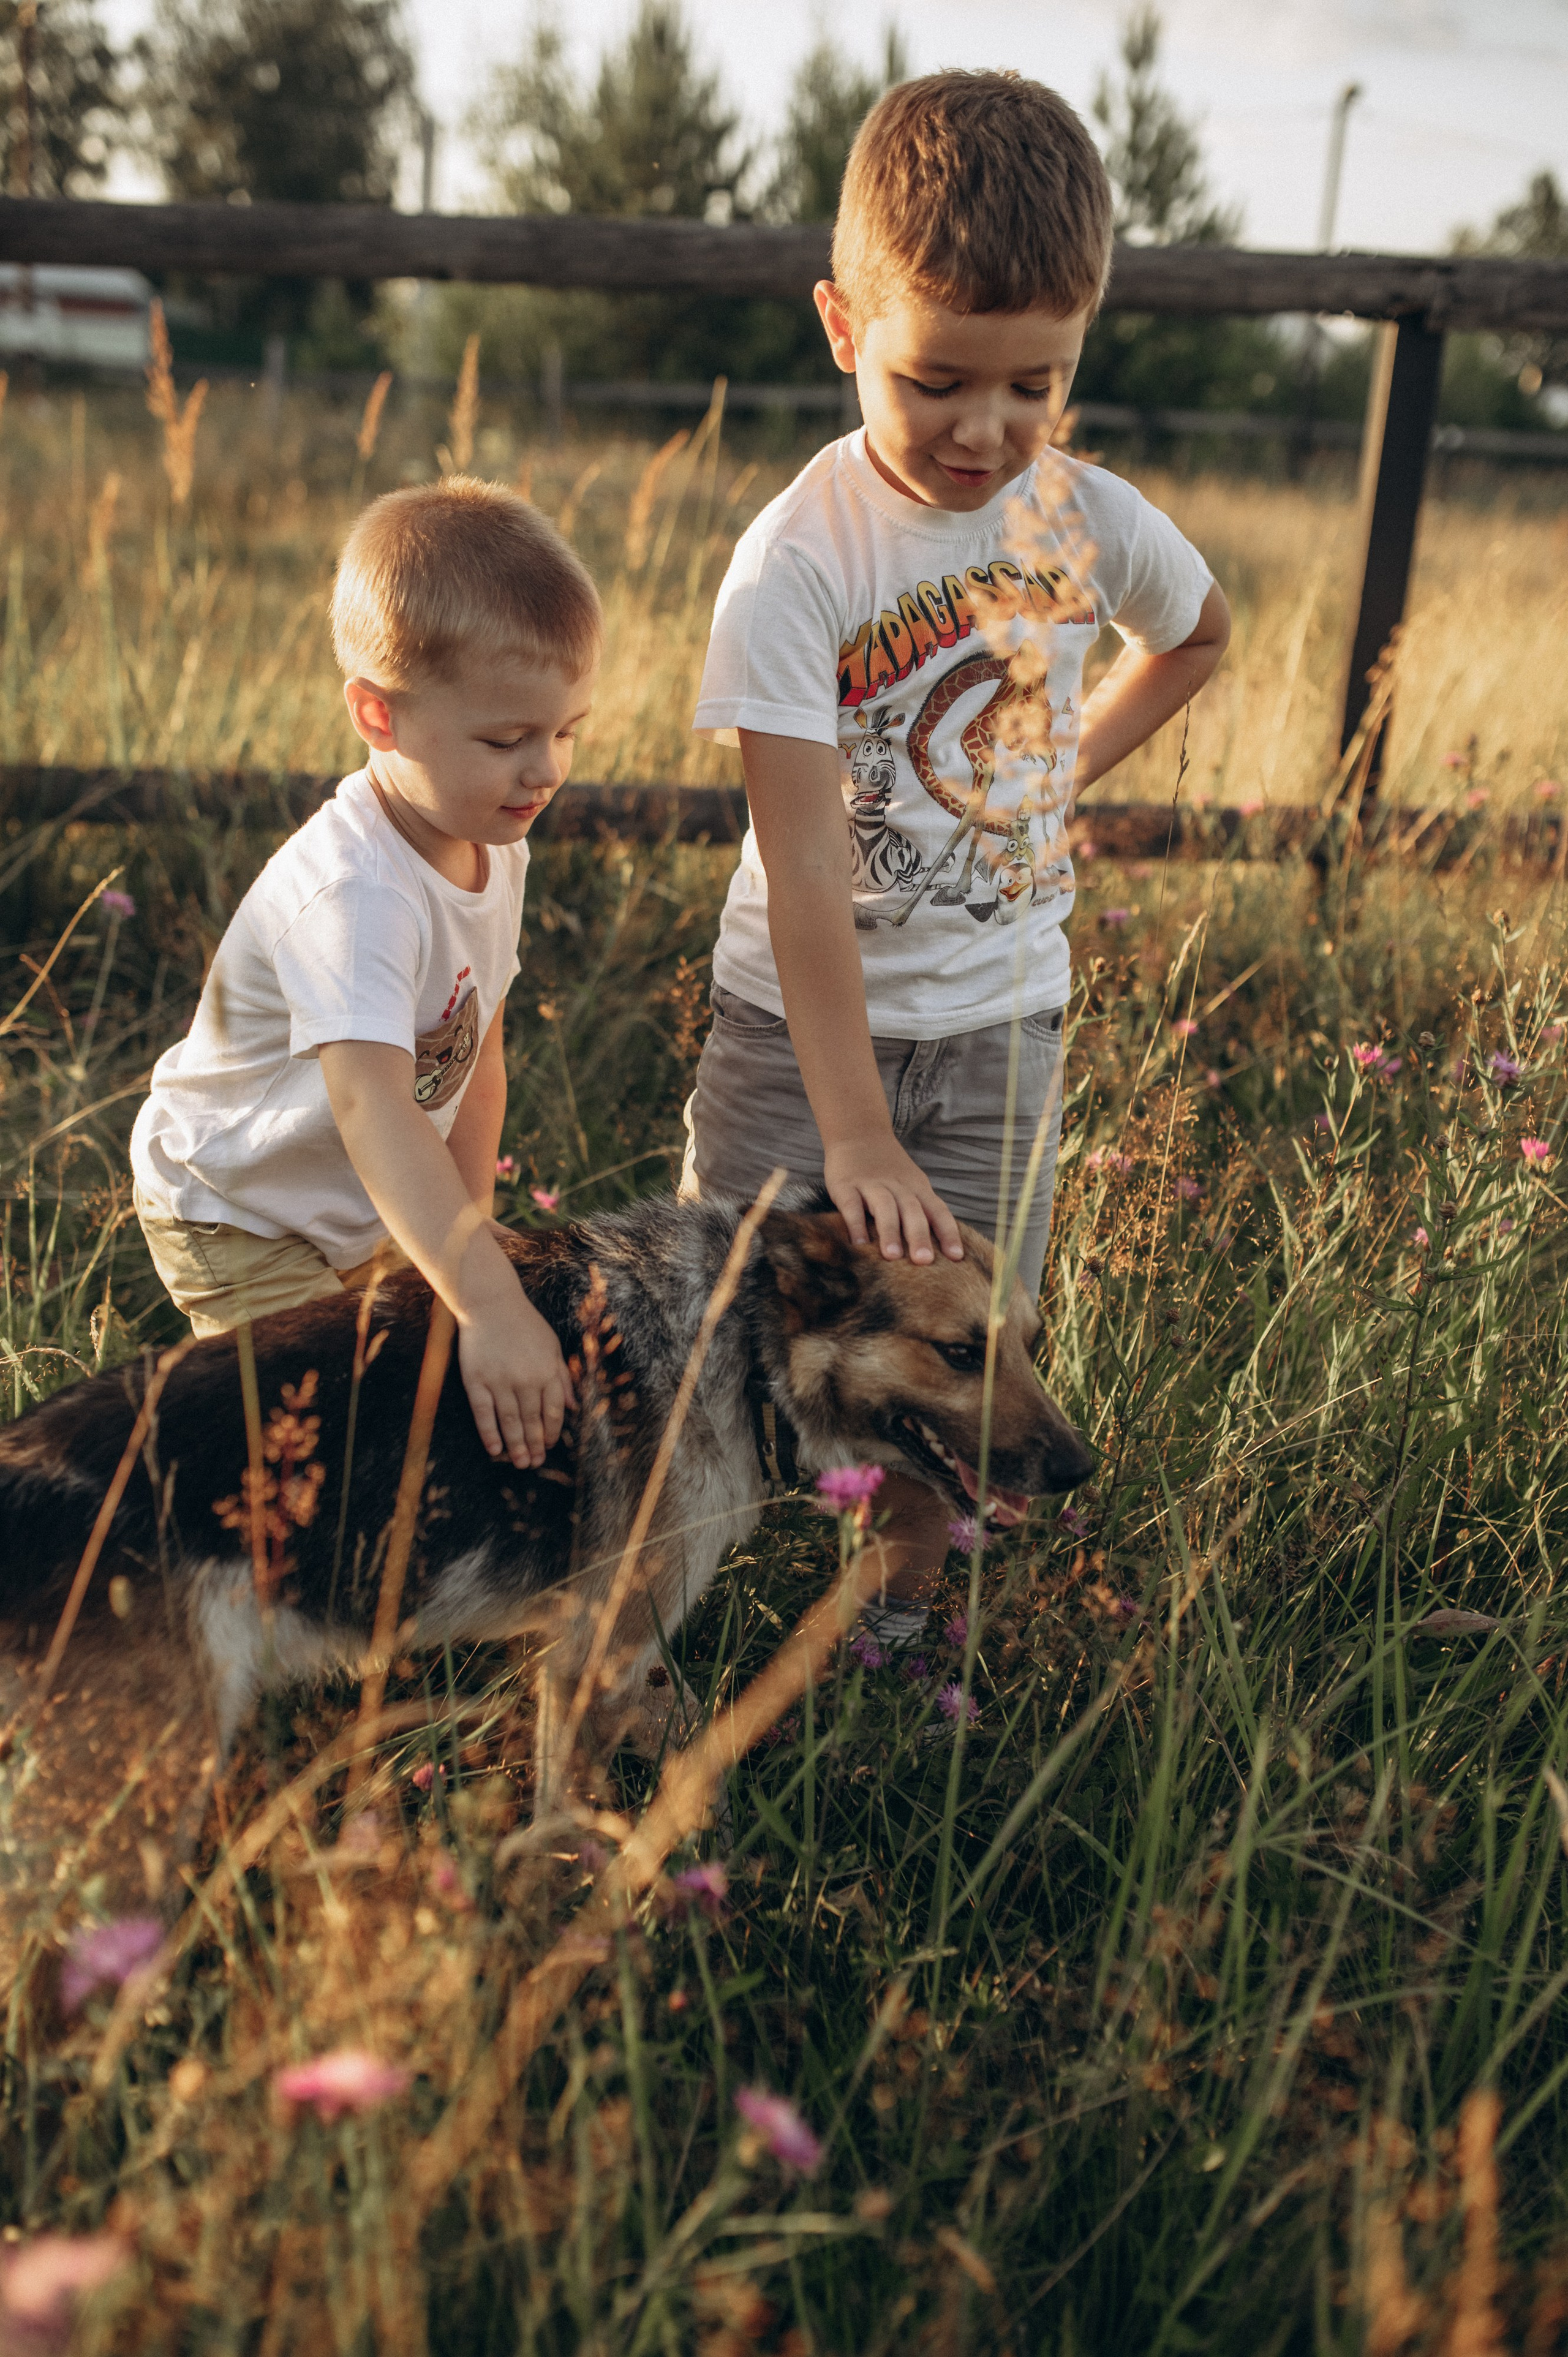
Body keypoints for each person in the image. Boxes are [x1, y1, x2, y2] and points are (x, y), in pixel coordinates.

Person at [682, 69, 1231, 1639]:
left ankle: (894, 1624)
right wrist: (852, 1138)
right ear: (843, 328)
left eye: (1031, 384)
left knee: (961, 1345)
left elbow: (1193, 633)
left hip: (997, 1027)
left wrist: (1056, 776)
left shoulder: (1074, 517)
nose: (984, 430)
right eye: (936, 382)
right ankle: (681, 1597)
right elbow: (800, 881)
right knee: (735, 1327)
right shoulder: (800, 563)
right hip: (798, 1042)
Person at [130, 478, 599, 1472]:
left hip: (354, 1199)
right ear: (377, 716)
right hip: (238, 1201)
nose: (546, 769)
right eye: (506, 739)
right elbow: (373, 1110)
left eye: (566, 731)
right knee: (319, 1436)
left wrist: (466, 1254)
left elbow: (479, 1057)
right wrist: (485, 1298)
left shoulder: (490, 840)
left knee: (423, 1376)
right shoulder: (355, 896)